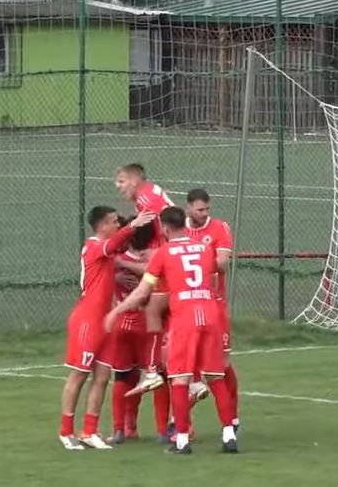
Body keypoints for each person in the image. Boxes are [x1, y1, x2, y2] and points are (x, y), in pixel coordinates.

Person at [106, 206, 238, 455]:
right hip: (210, 315)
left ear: (165, 229)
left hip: (185, 318)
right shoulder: (205, 249)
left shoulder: (163, 253)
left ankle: (182, 441)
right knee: (216, 377)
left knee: (179, 379)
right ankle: (229, 435)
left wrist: (117, 310)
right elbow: (213, 272)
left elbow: (143, 292)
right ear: (186, 225)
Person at [58, 207, 155, 451]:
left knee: (102, 377)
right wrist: (132, 226)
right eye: (113, 221)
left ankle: (89, 430)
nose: (117, 224)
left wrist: (140, 227)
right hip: (87, 321)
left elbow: (129, 250)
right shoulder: (94, 246)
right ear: (102, 226)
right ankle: (66, 431)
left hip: (105, 321)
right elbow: (117, 243)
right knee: (79, 374)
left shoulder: (110, 251)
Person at [114, 163, 174, 435]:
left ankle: (152, 371)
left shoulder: (144, 199)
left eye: (122, 180)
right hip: (171, 260)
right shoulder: (151, 195)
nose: (119, 186)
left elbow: (165, 230)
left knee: (155, 313)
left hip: (171, 268)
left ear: (136, 179)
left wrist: (158, 256)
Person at [185, 188, 239, 431]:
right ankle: (180, 424)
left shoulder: (219, 228)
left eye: (207, 209)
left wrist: (191, 260)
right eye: (199, 210)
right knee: (183, 361)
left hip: (215, 305)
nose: (204, 214)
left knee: (223, 364)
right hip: (186, 305)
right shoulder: (180, 229)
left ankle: (232, 418)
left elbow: (222, 263)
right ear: (188, 208)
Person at [105, 217, 155, 445]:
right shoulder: (155, 259)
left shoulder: (116, 260)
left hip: (121, 323)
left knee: (123, 376)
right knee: (157, 376)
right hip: (147, 323)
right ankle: (159, 429)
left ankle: (118, 430)